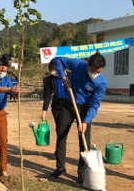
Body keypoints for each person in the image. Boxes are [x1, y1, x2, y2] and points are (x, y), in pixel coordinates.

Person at [49, 51, 107, 184]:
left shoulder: (101, 83)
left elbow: (95, 104)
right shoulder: (78, 65)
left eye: (98, 72)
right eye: (93, 70)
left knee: (83, 141)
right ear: (88, 66)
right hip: (69, 105)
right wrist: (63, 77)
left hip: (85, 109)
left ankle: (81, 173)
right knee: (61, 135)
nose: (95, 74)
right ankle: (60, 167)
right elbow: (58, 60)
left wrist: (86, 121)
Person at [41, 59, 67, 159]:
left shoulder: (69, 76)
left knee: (63, 130)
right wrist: (44, 111)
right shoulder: (49, 80)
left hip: (68, 106)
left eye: (55, 69)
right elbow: (47, 96)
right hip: (57, 107)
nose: (54, 71)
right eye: (52, 69)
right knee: (60, 130)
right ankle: (59, 153)